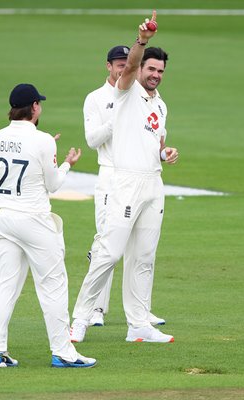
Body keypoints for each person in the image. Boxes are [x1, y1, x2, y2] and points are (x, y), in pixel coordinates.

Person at [71, 11, 178, 343]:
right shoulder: (125, 90)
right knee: (109, 252)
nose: (156, 75)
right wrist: (142, 40)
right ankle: (79, 319)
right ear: (140, 68)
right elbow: (129, 66)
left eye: (160, 71)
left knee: (144, 256)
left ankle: (138, 324)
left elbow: (153, 141)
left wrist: (165, 153)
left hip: (153, 182)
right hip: (125, 182)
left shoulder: (160, 106)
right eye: (151, 68)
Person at [0, 83, 96, 368]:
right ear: (34, 107)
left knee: (4, 286)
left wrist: (49, 150)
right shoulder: (44, 140)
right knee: (53, 285)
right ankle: (63, 352)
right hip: (33, 218)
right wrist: (66, 162)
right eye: (39, 104)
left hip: (5, 217)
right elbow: (53, 183)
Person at [83, 44, 165, 327]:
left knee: (142, 250)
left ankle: (141, 311)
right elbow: (92, 140)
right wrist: (115, 123)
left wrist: (165, 153)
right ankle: (94, 309)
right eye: (118, 62)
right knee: (107, 243)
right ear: (109, 65)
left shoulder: (150, 98)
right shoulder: (98, 98)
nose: (122, 66)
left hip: (144, 176)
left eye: (125, 61)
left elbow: (155, 139)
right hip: (111, 174)